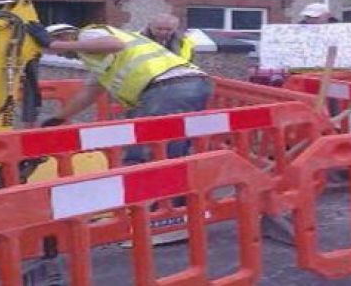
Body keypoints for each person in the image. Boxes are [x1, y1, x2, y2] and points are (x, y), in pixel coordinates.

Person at [26, 22, 212, 244]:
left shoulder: (91, 33)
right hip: (183, 87)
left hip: (167, 89)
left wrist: (52, 43)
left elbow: (114, 43)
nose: (60, 52)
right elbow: (89, 92)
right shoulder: (100, 60)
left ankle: (161, 222)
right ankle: (173, 218)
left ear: (66, 35)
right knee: (168, 153)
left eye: (57, 46)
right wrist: (59, 118)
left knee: (148, 156)